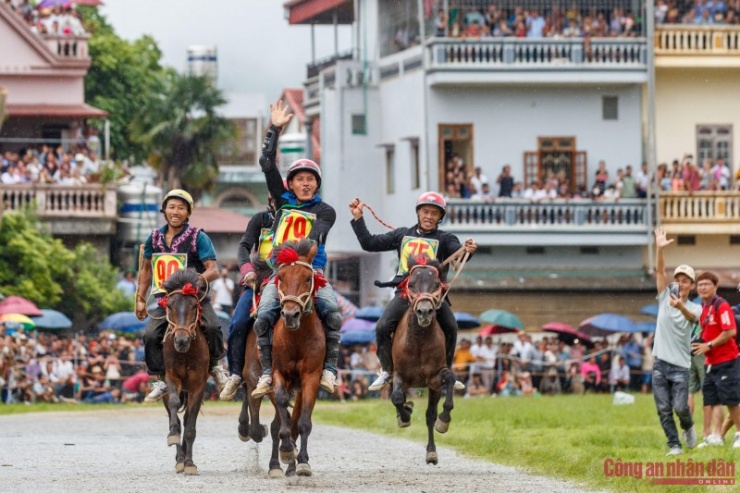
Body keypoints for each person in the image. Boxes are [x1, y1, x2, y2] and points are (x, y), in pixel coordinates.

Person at [251, 100, 343, 398]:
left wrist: (304, 257)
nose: (305, 184)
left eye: (311, 180)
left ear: (317, 184)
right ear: (290, 183)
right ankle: (267, 373)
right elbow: (266, 164)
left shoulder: (325, 210)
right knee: (264, 313)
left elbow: (315, 238)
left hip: (311, 272)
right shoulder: (282, 201)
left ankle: (329, 368)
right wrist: (274, 129)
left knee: (332, 312)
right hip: (280, 274)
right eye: (300, 180)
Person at [349, 191, 477, 391]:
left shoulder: (446, 238)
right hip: (405, 294)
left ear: (440, 218)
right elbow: (369, 243)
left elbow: (458, 253)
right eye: (425, 211)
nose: (429, 216)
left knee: (451, 326)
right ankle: (387, 371)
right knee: (382, 327)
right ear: (418, 213)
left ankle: (447, 370)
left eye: (434, 213)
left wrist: (467, 251)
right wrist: (358, 218)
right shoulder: (401, 235)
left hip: (433, 297)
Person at [134, 189, 228, 402]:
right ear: (164, 210)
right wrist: (140, 298)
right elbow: (146, 270)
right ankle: (159, 378)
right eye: (171, 207)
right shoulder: (154, 237)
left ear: (188, 212)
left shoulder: (198, 237)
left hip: (194, 299)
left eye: (181, 208)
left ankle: (215, 365)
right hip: (167, 302)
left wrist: (194, 284)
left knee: (213, 327)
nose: (175, 212)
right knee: (149, 335)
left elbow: (212, 269)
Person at [219, 193, 277, 400]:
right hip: (257, 282)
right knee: (238, 322)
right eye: (276, 197)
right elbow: (244, 247)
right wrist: (247, 270)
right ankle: (235, 373)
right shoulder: (260, 219)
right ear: (270, 200)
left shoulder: (305, 218)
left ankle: (326, 370)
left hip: (290, 282)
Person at [651, 227, 702, 456]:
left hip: (681, 366)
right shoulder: (664, 298)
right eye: (678, 280)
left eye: (686, 281)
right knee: (663, 408)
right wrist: (659, 249)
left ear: (692, 286)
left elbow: (692, 319)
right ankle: (674, 444)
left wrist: (680, 305)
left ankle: (688, 426)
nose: (680, 284)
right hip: (659, 363)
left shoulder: (695, 308)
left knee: (681, 407)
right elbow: (660, 270)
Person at [691, 271, 740, 449]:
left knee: (731, 399)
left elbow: (730, 331)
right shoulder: (704, 308)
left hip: (727, 360)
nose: (702, 288)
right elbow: (708, 331)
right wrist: (697, 339)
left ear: (715, 286)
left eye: (706, 284)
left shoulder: (722, 305)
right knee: (713, 399)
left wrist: (708, 345)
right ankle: (716, 436)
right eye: (700, 285)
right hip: (711, 362)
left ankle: (739, 435)